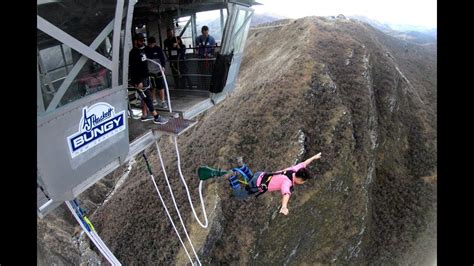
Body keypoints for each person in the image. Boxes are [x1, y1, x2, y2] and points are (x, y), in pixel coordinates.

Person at [224, 152, 322, 216]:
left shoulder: (294, 170)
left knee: (251, 178)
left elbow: (304, 163)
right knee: (239, 195)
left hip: (261, 175)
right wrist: (284, 206)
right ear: (300, 180)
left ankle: (241, 165)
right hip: (257, 184)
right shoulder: (286, 182)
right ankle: (232, 176)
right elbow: (286, 194)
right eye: (303, 181)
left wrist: (314, 157)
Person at [129, 33, 168, 124]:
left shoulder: (142, 50)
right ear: (136, 41)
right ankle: (156, 116)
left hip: (145, 77)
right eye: (141, 41)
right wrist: (138, 81)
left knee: (145, 97)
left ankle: (144, 115)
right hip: (140, 80)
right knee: (147, 97)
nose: (143, 42)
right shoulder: (133, 53)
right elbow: (133, 68)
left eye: (143, 40)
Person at [144, 36, 168, 109]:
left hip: (158, 70)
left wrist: (163, 67)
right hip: (150, 71)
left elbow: (162, 59)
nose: (151, 46)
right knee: (152, 87)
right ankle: (154, 100)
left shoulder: (158, 49)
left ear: (155, 43)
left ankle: (163, 101)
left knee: (160, 86)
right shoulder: (146, 49)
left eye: (152, 44)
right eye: (150, 44)